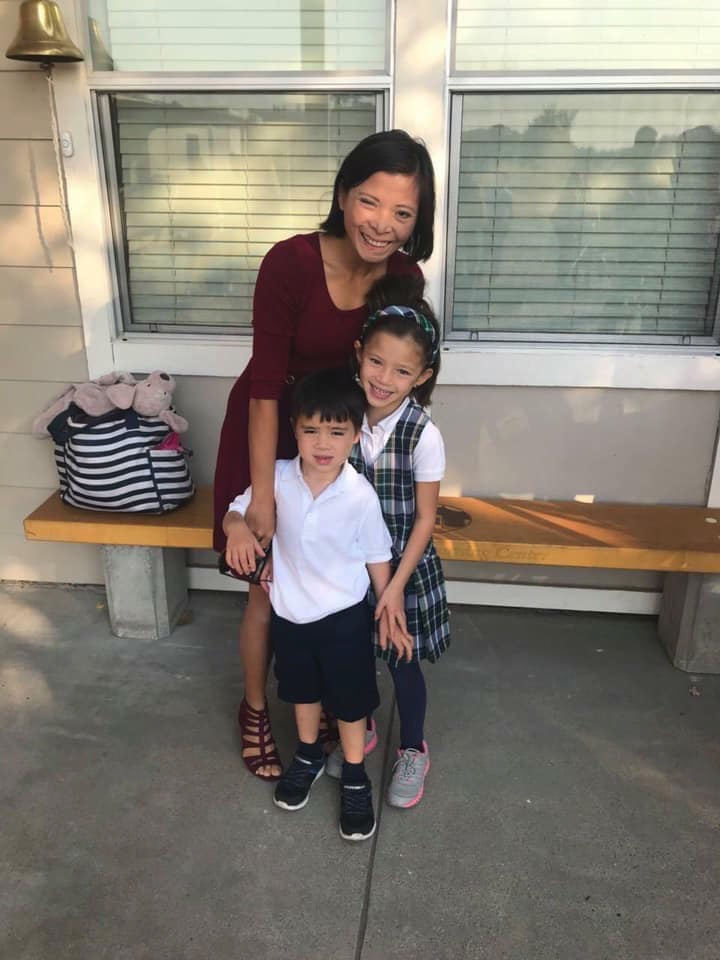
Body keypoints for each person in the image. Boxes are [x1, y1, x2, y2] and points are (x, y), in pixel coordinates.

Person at [213, 130, 436, 780]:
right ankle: (256, 708)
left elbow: (396, 376)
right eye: (370, 202)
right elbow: (263, 390)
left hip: (341, 441)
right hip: (271, 428)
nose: (383, 224)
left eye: (403, 212)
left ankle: (336, 704)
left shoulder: (404, 277)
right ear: (342, 196)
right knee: (268, 587)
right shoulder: (290, 263)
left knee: (338, 583)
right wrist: (261, 497)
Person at [223, 369, 413, 841]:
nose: (323, 443)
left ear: (355, 435)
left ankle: (355, 775)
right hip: (290, 617)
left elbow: (376, 555)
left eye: (336, 432)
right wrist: (235, 528)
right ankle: (308, 754)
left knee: (349, 704)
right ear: (294, 430)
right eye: (311, 430)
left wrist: (388, 609)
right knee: (302, 694)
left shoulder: (359, 495)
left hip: (344, 620)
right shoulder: (277, 478)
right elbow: (237, 508)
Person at [325, 274, 450, 809]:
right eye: (377, 361)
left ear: (421, 376)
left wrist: (395, 588)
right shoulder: (342, 416)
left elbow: (425, 519)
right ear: (359, 354)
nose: (384, 378)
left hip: (403, 568)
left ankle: (414, 747)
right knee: (349, 655)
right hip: (348, 566)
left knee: (401, 657)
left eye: (402, 370)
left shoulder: (423, 433)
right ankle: (361, 728)